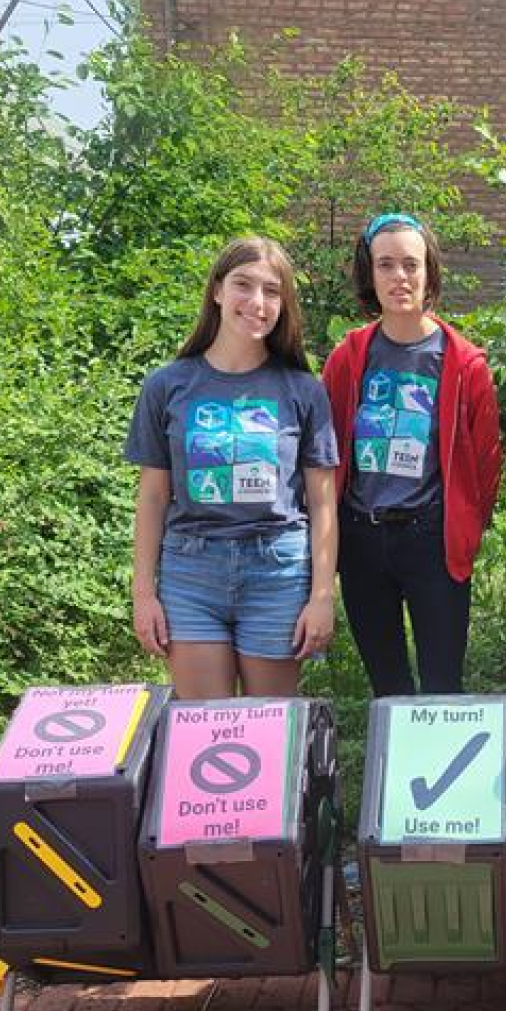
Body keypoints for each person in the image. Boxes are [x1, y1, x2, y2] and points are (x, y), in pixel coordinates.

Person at [126, 236, 339, 700]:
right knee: (203, 730)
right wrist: (143, 593)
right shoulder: (167, 385)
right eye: (243, 285)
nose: (257, 302)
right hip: (190, 574)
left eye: (272, 290)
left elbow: (323, 503)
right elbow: (153, 497)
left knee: (269, 733)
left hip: (278, 572)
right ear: (218, 291)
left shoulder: (304, 390)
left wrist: (323, 597)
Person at [322, 213, 502, 696]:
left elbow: (486, 465)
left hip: (432, 538)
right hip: (362, 538)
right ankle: (394, 772)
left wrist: (463, 524)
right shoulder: (348, 358)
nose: (399, 277)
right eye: (386, 265)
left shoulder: (465, 364)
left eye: (410, 264)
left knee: (443, 683)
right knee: (387, 684)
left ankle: (444, 770)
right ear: (370, 273)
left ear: (429, 272)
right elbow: (326, 451)